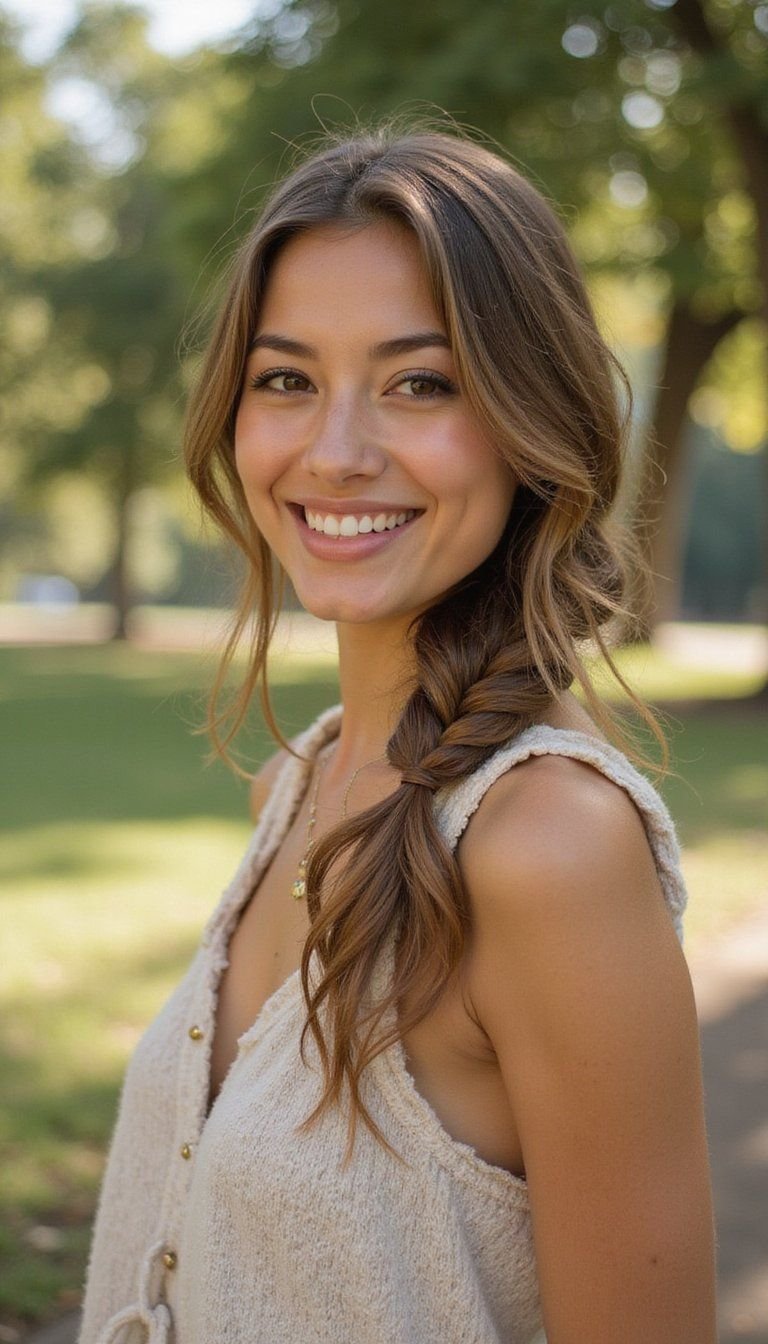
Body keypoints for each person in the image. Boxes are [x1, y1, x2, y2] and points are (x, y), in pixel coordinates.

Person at [79, 126, 717, 1344]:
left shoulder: (551, 852)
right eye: (287, 379)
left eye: (420, 382)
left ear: (533, 419)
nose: (336, 450)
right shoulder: (301, 779)